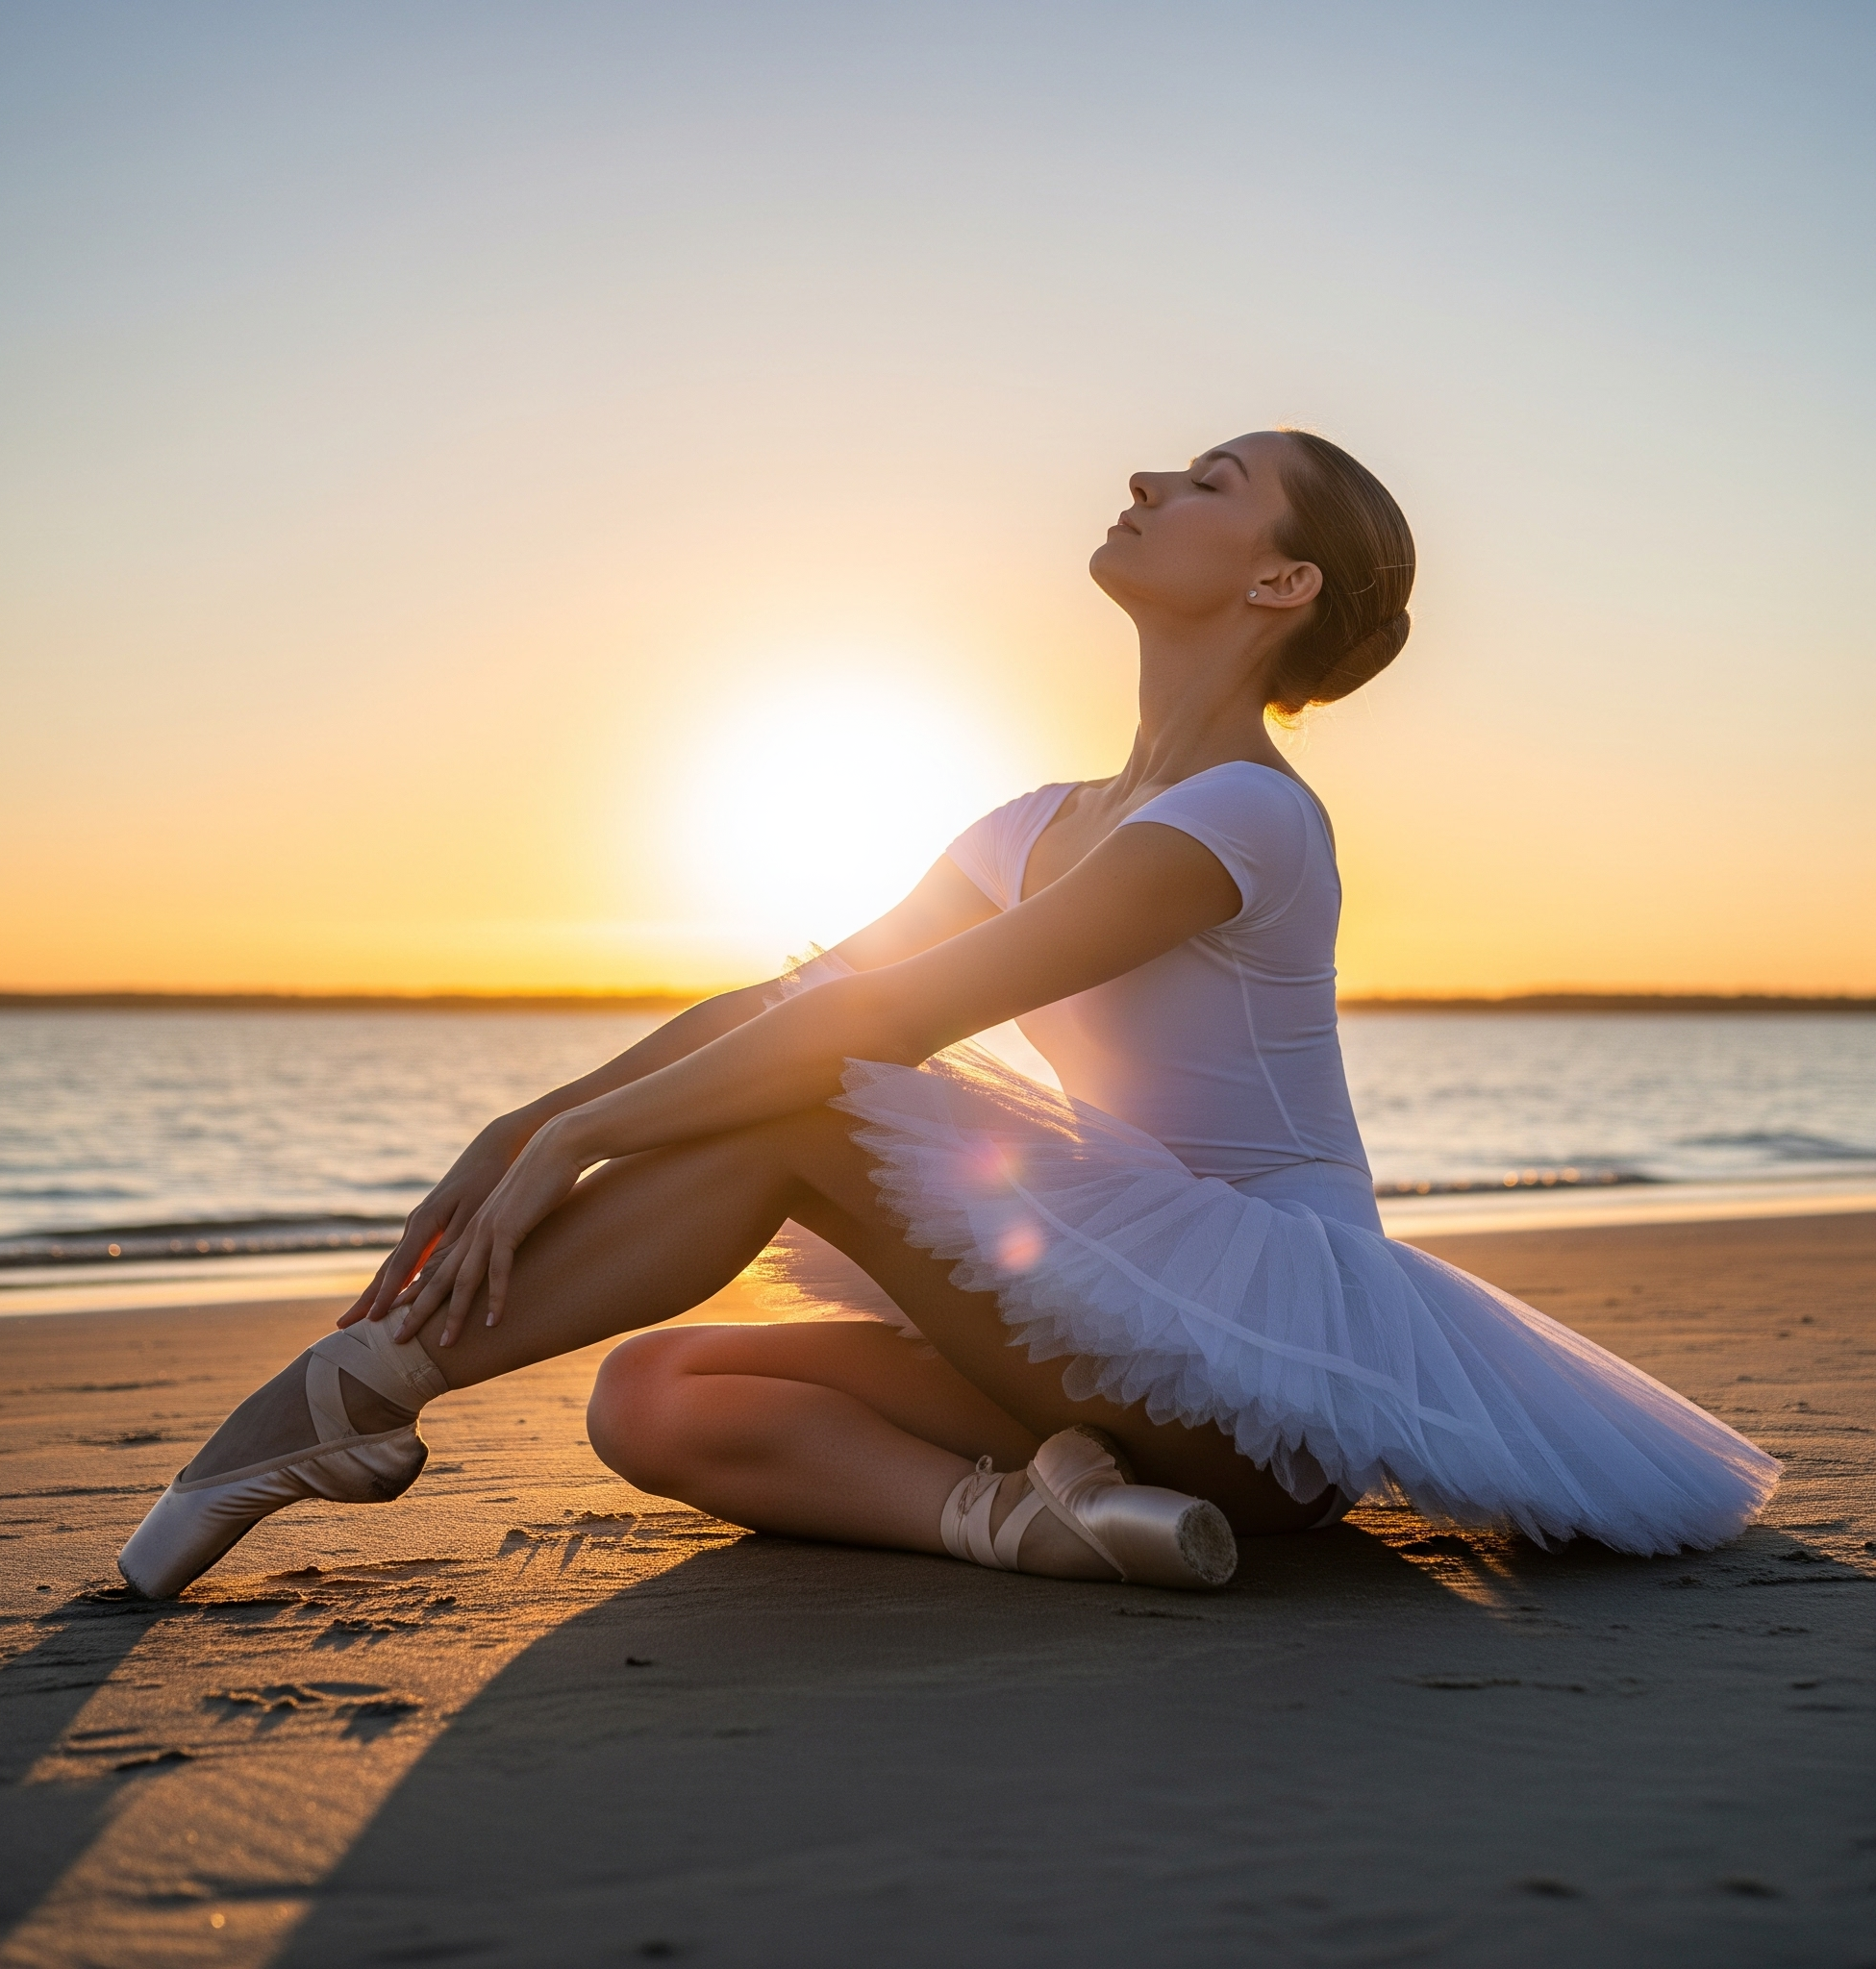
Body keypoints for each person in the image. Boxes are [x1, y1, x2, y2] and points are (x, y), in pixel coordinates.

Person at [118, 428, 1780, 1600]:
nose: (1145, 479)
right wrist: (529, 1117)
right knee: (655, 1398)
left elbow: (888, 1019)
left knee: (821, 1091)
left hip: (1270, 1382)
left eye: (1209, 481)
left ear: (1278, 583)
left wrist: (580, 1134)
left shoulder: (1249, 816)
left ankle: (346, 1398)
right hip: (1106, 1360)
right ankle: (1039, 1528)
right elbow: (793, 991)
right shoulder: (1033, 822)